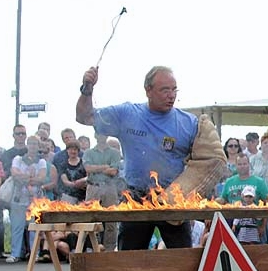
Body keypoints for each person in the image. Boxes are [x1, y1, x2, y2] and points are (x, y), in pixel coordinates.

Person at [76, 64, 199, 250]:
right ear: (148, 90)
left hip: (173, 198)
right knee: (129, 259)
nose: (171, 95)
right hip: (136, 197)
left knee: (182, 257)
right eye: (165, 90)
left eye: (174, 90)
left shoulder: (189, 123)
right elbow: (84, 117)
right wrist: (87, 89)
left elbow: (205, 161)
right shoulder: (127, 114)